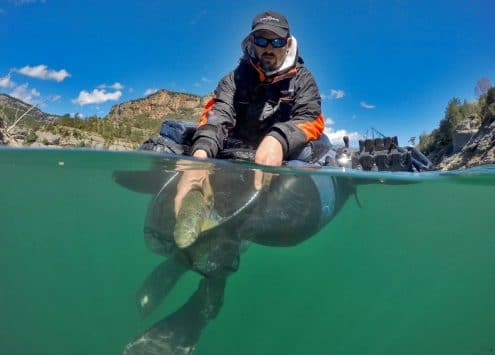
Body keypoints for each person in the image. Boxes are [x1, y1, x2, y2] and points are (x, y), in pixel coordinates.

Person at [174, 10, 325, 219]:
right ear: (252, 42)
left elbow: (311, 118)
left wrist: (278, 139)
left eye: (277, 42)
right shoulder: (233, 80)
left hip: (283, 152)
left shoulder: (304, 79)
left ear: (288, 44)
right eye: (262, 40)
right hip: (239, 149)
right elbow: (217, 116)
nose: (269, 48)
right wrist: (199, 160)